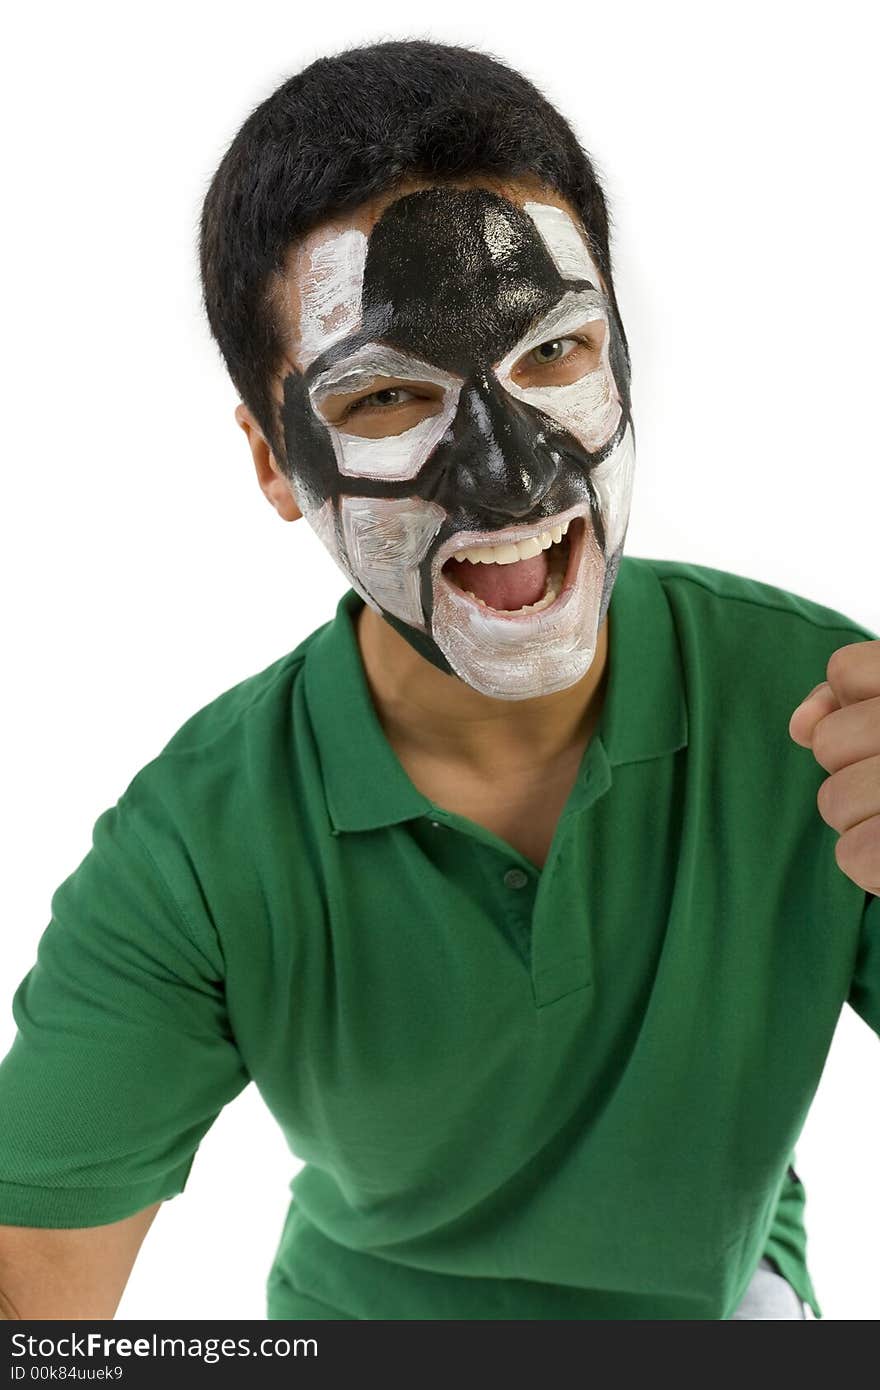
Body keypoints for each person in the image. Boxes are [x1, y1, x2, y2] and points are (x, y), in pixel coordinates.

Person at [1, 38, 878, 1323]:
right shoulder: (195, 845)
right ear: (272, 460)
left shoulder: (820, 711)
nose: (513, 478)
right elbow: (37, 1304)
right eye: (387, 398)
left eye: (554, 357)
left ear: (624, 357)